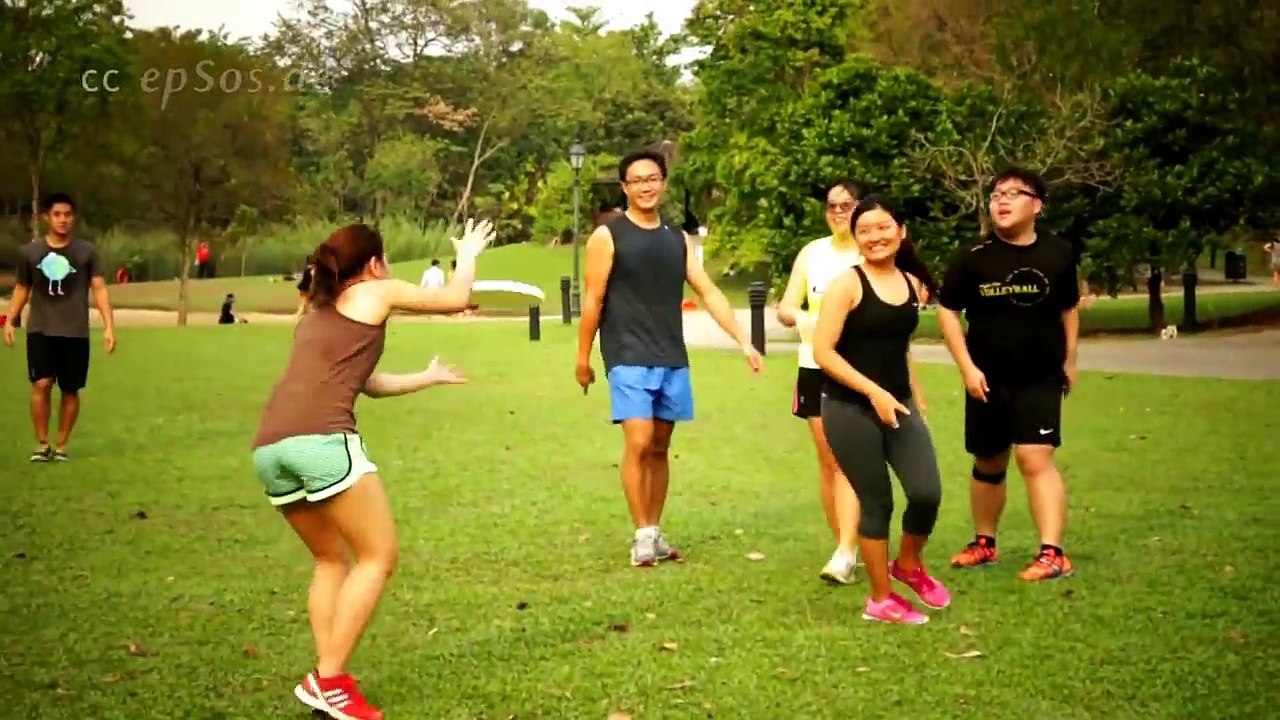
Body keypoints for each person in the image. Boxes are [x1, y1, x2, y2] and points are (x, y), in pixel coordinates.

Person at [252, 218, 494, 720]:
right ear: (375, 263)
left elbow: (367, 382)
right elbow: (454, 299)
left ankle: (327, 678)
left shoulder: (315, 312)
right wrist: (468, 254)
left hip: (270, 447)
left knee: (330, 561)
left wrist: (426, 377)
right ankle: (331, 681)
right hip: (322, 439)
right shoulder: (374, 290)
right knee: (377, 556)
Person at [576, 149, 763, 567]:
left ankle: (655, 532)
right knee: (639, 441)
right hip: (626, 352)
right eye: (637, 180)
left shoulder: (676, 239)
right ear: (624, 187)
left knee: (660, 446)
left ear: (663, 183)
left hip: (670, 354)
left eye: (653, 178)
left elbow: (708, 291)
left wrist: (743, 340)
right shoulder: (608, 236)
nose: (646, 186)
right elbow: (593, 298)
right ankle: (641, 533)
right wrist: (583, 356)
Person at [936, 166, 1081, 582]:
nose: (1001, 200)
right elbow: (947, 310)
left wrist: (1070, 359)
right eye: (996, 193)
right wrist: (966, 367)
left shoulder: (1059, 252)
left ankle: (1053, 554)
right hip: (986, 376)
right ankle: (985, 543)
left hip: (1039, 374)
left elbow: (1068, 307)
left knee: (1034, 456)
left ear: (1037, 205)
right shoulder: (972, 257)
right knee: (988, 459)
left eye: (1014, 193)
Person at [813, 195, 946, 625]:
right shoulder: (847, 285)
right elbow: (823, 352)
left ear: (901, 231)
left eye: (883, 227)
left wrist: (915, 395)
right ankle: (880, 599)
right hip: (850, 408)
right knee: (877, 504)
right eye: (864, 230)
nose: (875, 236)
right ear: (856, 238)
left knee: (927, 493)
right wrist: (874, 393)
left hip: (899, 405)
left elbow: (899, 347)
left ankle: (908, 564)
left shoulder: (911, 284)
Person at [777, 178, 869, 585]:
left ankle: (851, 547)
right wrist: (803, 319)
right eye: (832, 206)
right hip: (814, 368)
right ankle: (844, 547)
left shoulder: (874, 250)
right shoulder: (813, 253)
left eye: (846, 205)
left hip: (861, 367)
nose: (838, 213)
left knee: (851, 458)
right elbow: (785, 306)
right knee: (828, 460)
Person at [3, 193, 116, 462]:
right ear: (46, 217)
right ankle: (42, 444)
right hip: (41, 329)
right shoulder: (30, 253)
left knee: (70, 389)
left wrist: (109, 327)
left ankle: (62, 445)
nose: (63, 220)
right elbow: (21, 288)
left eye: (67, 215)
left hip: (75, 331)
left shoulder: (86, 252)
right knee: (41, 384)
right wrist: (9, 319)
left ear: (73, 217)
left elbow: (99, 288)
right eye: (57, 214)